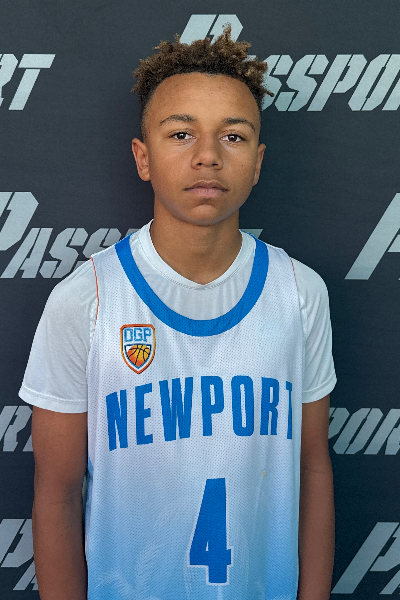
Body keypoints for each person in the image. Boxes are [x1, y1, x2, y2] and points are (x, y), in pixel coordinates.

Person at [20, 28, 336, 600]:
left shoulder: (298, 293)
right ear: (142, 157)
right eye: (181, 133)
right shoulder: (87, 299)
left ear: (258, 162)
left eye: (233, 136)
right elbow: (58, 494)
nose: (207, 155)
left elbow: (311, 469)